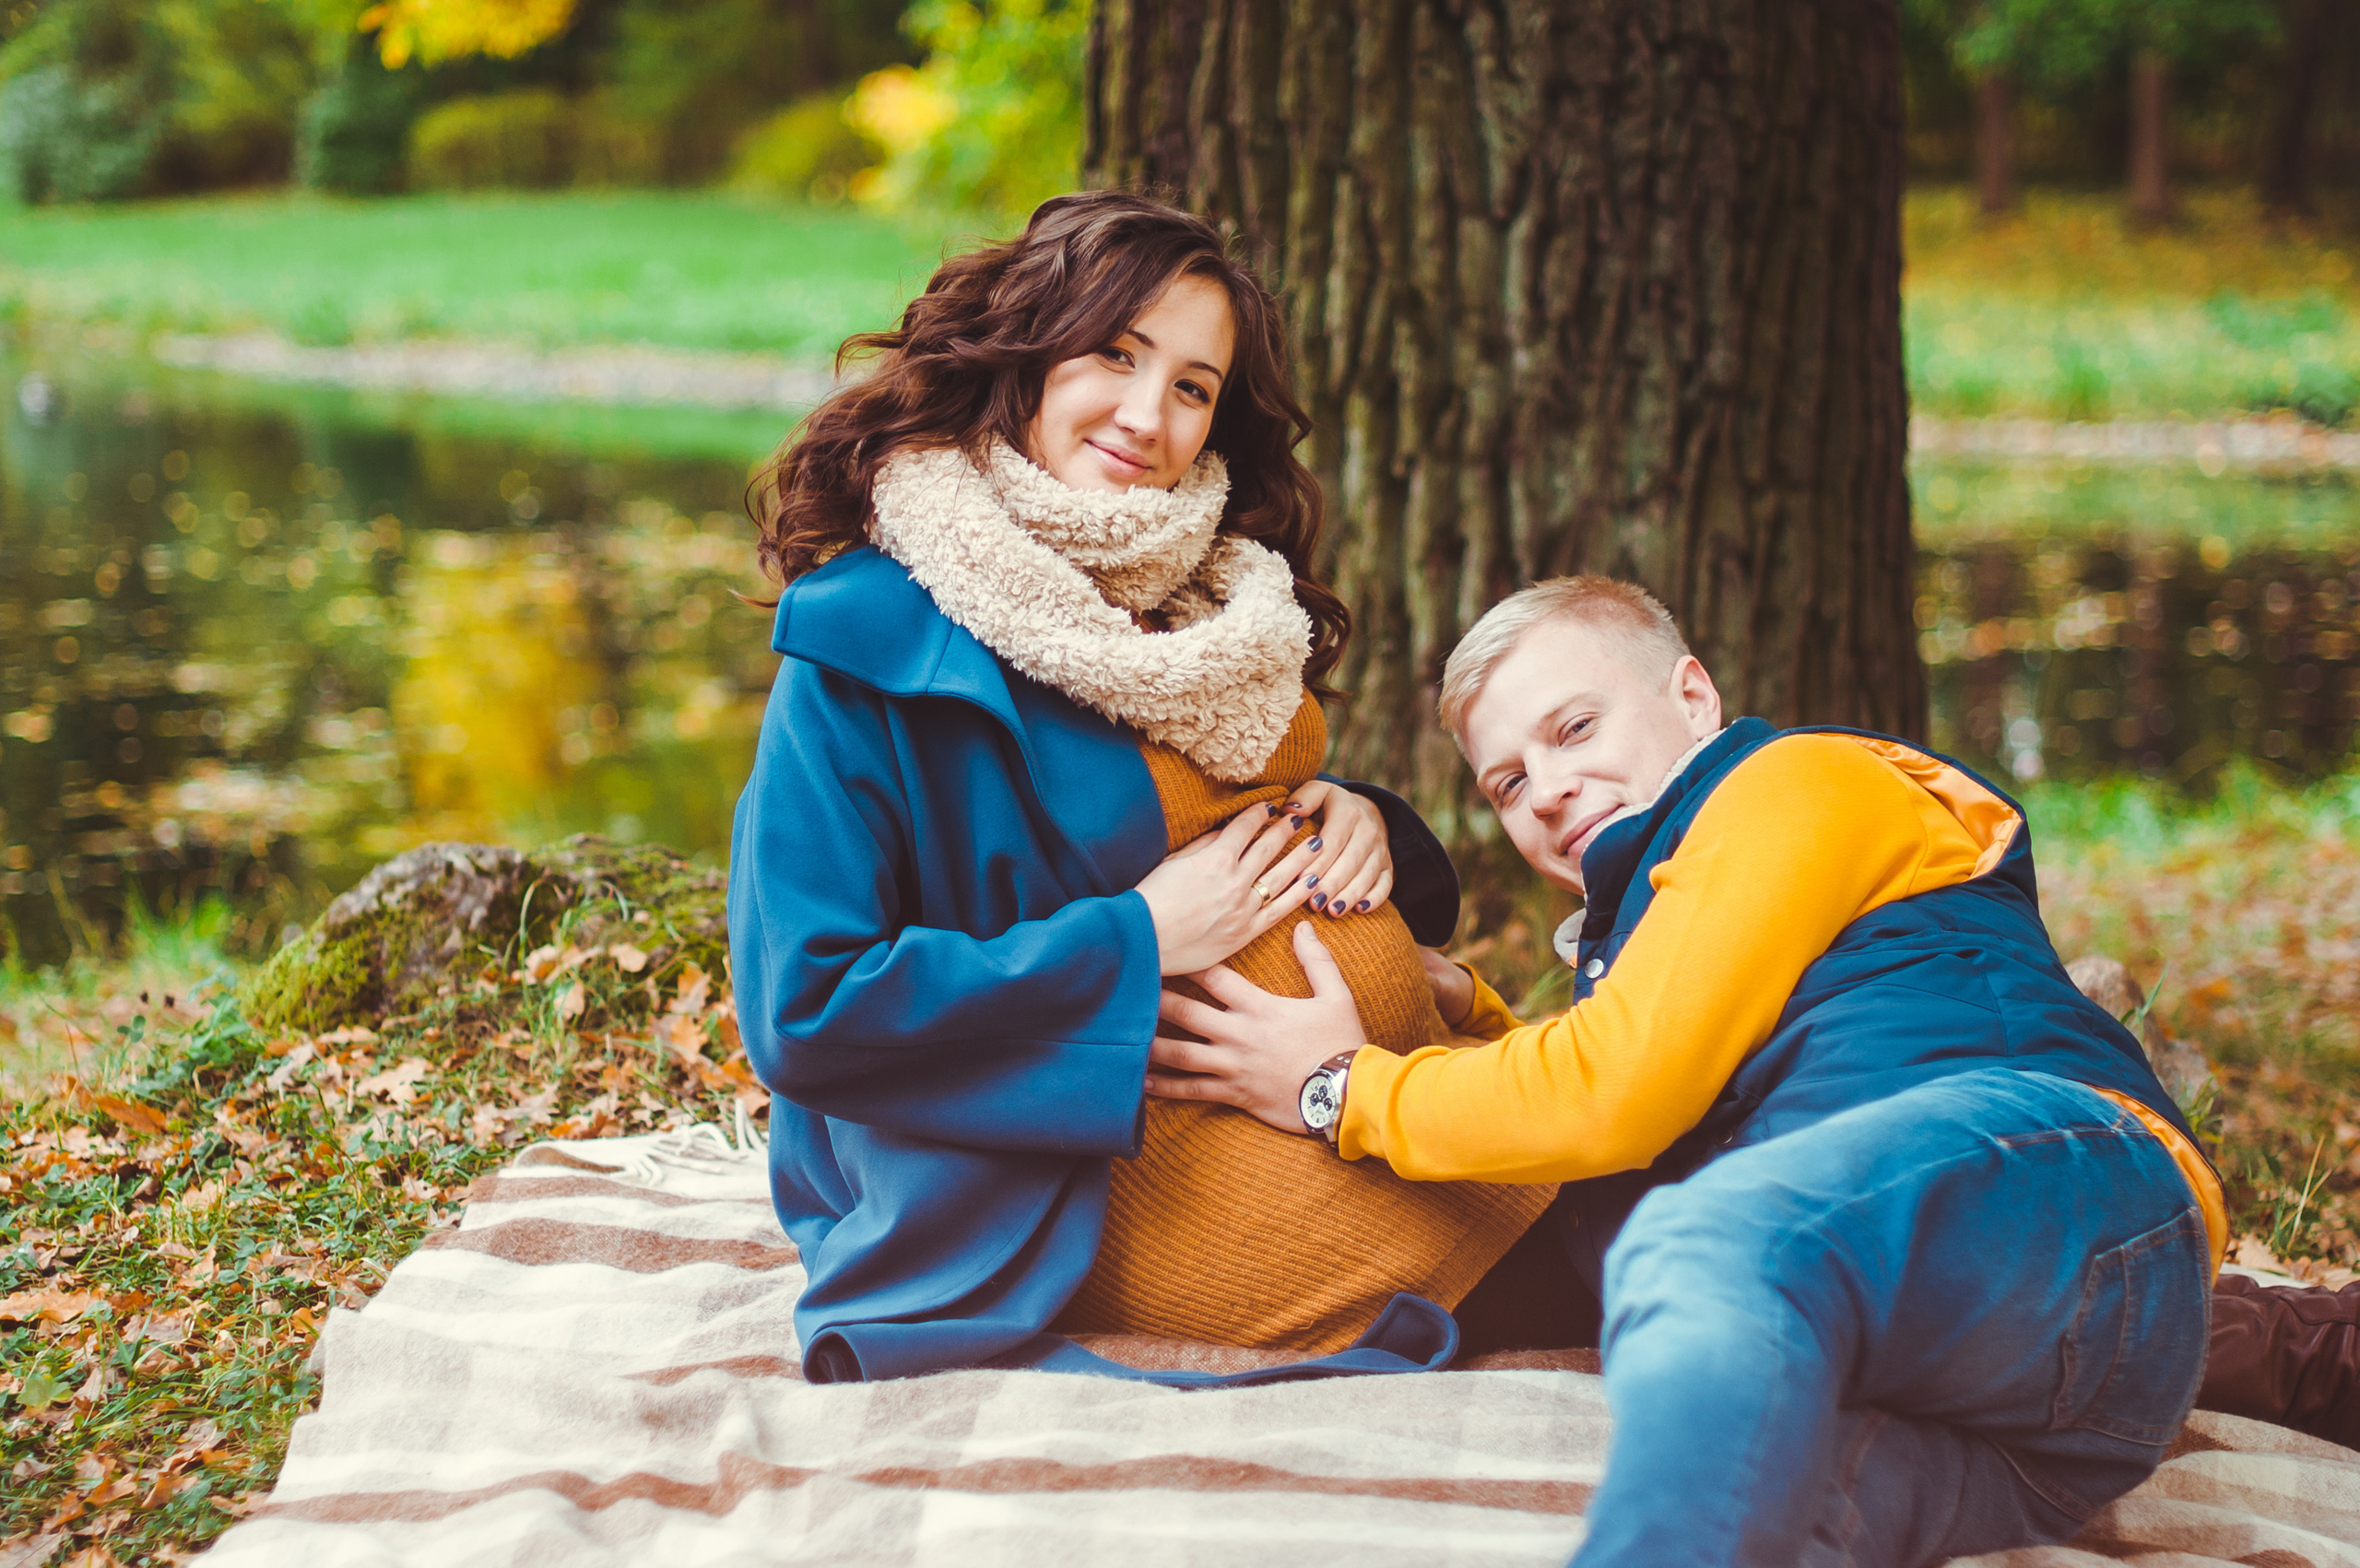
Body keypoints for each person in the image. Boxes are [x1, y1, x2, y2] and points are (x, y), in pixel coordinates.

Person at [1148, 575, 2221, 1566]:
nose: (1552, 790)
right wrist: (1464, 1008)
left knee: (1698, 1242)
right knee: (1739, 1516)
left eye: (1575, 728)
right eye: (1509, 782)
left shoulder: (1797, 782)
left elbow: (1611, 1094)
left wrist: (1335, 1087)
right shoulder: (1654, 919)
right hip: (2040, 1425)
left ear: (1694, 697)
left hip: (2053, 1184)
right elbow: (1648, 1089)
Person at [727, 191, 1552, 1386]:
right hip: (1072, 1180)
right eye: (1115, 356)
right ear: (1025, 357)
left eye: (1192, 386)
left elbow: (1185, 813)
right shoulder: (866, 642)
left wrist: (1368, 821)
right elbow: (803, 1006)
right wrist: (1139, 939)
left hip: (1322, 1084)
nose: (1147, 416)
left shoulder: (1197, 606)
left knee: (1636, 1159)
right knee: (1603, 1237)